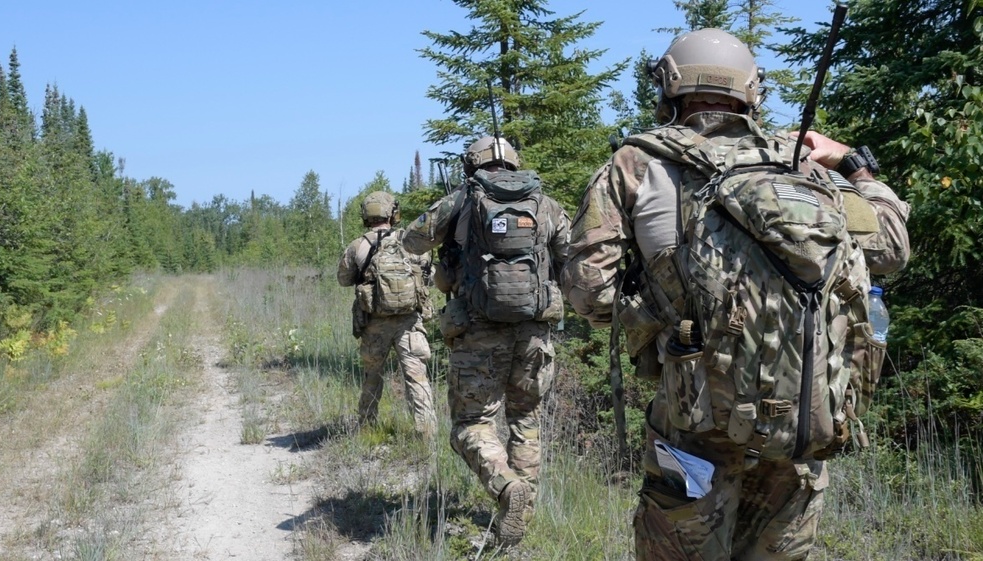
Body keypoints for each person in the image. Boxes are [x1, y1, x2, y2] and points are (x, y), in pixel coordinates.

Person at [562, 29, 909, 561]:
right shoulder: (803, 167)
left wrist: (663, 320)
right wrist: (856, 167)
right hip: (800, 422)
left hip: (693, 425)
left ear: (669, 86)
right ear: (752, 91)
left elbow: (588, 292)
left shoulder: (635, 165)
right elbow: (890, 250)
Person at [403, 136, 571, 547]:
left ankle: (506, 488)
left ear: (471, 165)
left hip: (478, 330)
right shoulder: (544, 204)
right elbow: (572, 256)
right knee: (525, 422)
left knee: (471, 425)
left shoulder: (462, 199)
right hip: (534, 332)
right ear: (514, 163)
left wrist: (454, 248)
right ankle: (520, 524)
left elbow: (412, 240)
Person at [337, 190, 437, 437]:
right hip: (409, 322)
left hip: (374, 324)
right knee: (417, 377)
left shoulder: (358, 246)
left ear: (366, 215)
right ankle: (426, 433)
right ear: (393, 214)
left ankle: (368, 428)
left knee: (372, 376)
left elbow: (343, 280)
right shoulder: (412, 242)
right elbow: (431, 277)